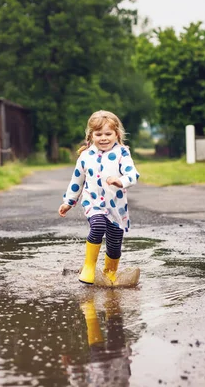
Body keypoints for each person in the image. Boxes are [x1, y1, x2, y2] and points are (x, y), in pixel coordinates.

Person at [58, 110, 140, 285]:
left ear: (116, 134)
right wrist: (68, 202)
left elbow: (133, 174)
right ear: (91, 135)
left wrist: (121, 181)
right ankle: (89, 265)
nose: (103, 138)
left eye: (108, 134)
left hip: (116, 207)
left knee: (114, 243)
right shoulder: (85, 156)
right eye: (98, 134)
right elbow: (76, 181)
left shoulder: (122, 153)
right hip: (92, 202)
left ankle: (110, 271)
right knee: (98, 225)